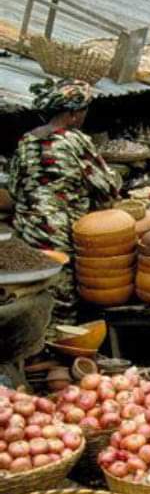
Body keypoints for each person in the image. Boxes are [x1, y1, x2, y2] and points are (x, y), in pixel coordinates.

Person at [7, 78, 119, 322]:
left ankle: (33, 345)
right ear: (71, 114)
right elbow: (105, 186)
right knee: (61, 296)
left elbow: (14, 188)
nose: (84, 116)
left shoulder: (27, 140)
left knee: (30, 292)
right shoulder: (74, 140)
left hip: (27, 230)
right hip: (58, 230)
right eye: (83, 111)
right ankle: (59, 348)